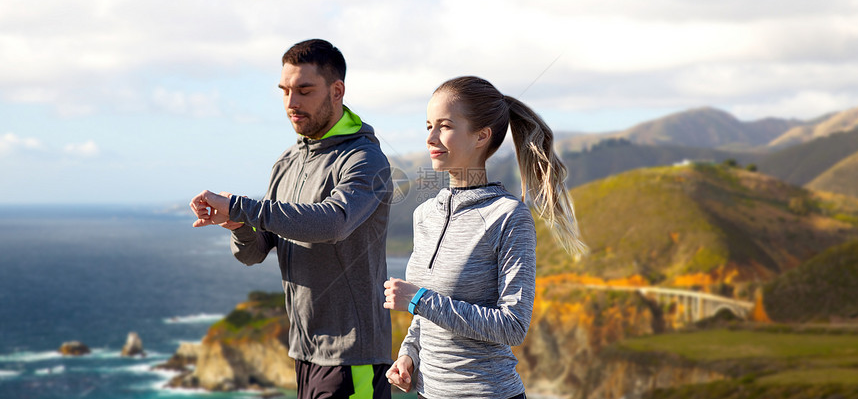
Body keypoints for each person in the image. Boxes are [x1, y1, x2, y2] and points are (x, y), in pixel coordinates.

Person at [189, 39, 393, 399]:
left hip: (353, 355)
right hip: (303, 352)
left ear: (337, 90)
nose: (291, 103)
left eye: (304, 90)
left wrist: (241, 206)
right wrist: (238, 226)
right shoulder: (286, 163)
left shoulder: (365, 160)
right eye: (284, 91)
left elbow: (333, 223)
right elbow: (253, 253)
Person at [382, 76, 587, 399]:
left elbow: (512, 326)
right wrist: (409, 355)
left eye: (444, 126)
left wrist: (419, 299)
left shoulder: (508, 216)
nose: (431, 138)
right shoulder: (424, 215)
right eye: (428, 126)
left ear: (481, 136)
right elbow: (425, 315)